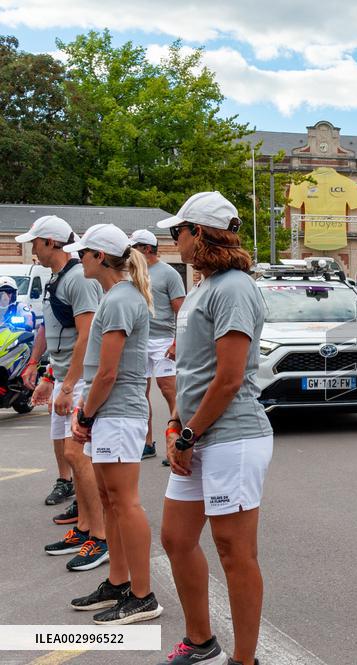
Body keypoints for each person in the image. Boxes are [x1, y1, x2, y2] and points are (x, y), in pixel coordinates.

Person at [156, 191, 273, 665]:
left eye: (176, 231)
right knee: (176, 539)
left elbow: (228, 378)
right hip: (199, 434)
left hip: (233, 436)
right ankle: (201, 639)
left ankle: (244, 660)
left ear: (198, 233)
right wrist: (175, 423)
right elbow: (194, 371)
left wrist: (188, 435)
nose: (173, 239)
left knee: (233, 551)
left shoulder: (234, 288)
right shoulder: (203, 287)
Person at [66, 223, 162, 624]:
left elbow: (108, 372)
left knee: (124, 502)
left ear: (99, 257)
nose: (78, 259)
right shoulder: (116, 296)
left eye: (82, 254)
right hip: (111, 413)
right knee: (110, 500)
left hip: (118, 412)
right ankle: (119, 582)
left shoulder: (121, 299)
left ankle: (143, 594)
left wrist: (86, 413)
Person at [18, 216, 109, 569]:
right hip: (62, 374)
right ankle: (85, 528)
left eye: (35, 242)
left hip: (79, 377)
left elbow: (87, 336)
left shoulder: (78, 280)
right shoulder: (55, 278)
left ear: (51, 242)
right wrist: (42, 370)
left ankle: (98, 537)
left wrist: (69, 384)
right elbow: (49, 326)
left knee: (78, 453)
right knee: (70, 454)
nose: (32, 249)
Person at [128, 229, 185, 461]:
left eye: (135, 248)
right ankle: (147, 443)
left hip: (163, 340)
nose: (130, 253)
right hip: (139, 339)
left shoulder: (169, 274)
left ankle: (176, 442)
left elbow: (181, 311)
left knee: (169, 389)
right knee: (141, 394)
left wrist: (176, 343)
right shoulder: (131, 274)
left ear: (147, 249)